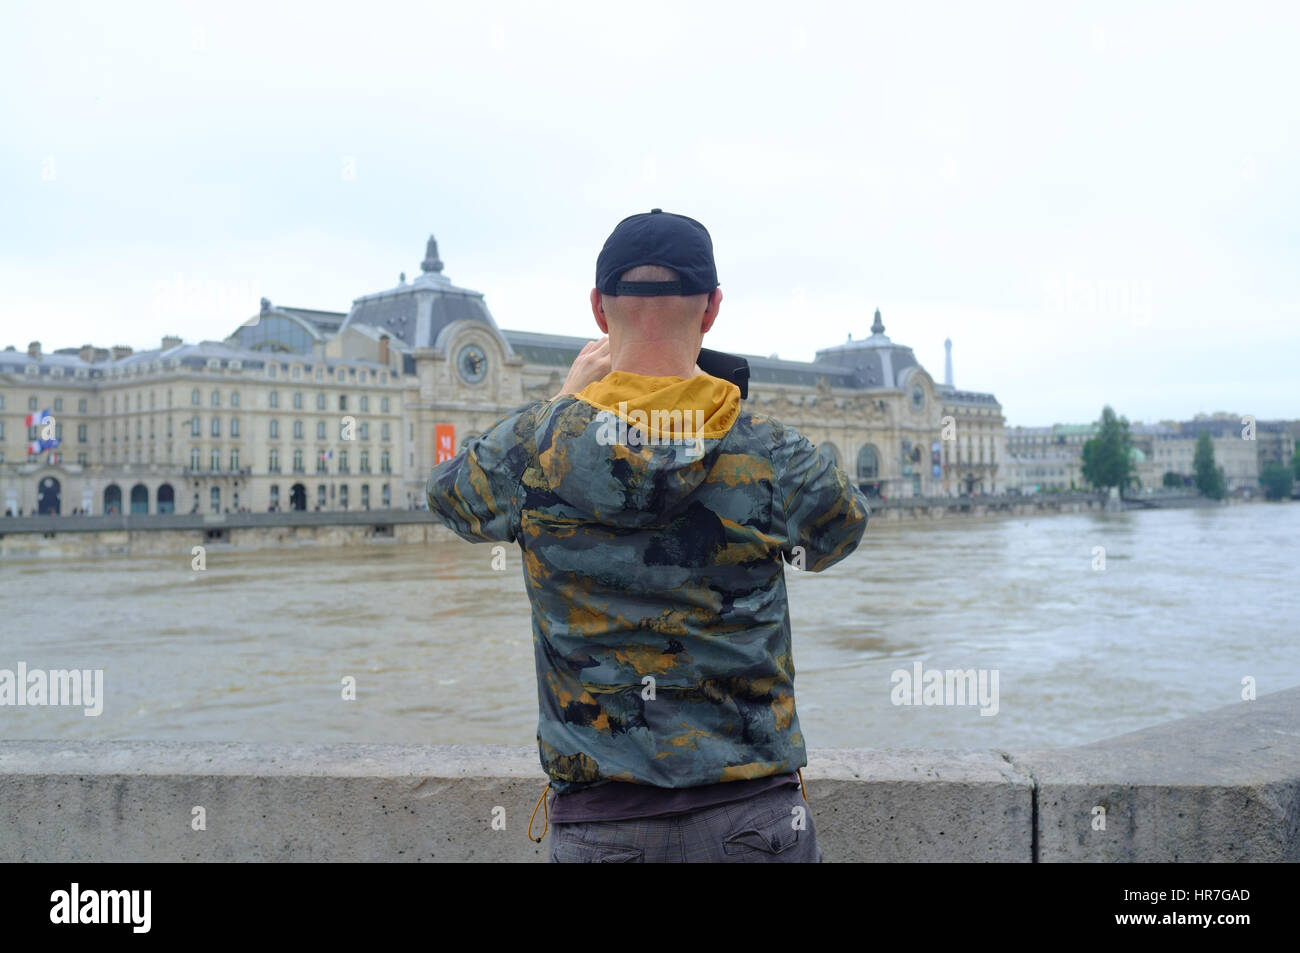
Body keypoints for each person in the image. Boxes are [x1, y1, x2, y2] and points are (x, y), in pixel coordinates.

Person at [426, 209, 869, 863]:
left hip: (603, 825)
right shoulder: (770, 452)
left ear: (600, 311)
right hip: (752, 820)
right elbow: (842, 529)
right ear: (713, 308)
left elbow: (451, 495)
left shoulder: (535, 448)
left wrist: (560, 402)